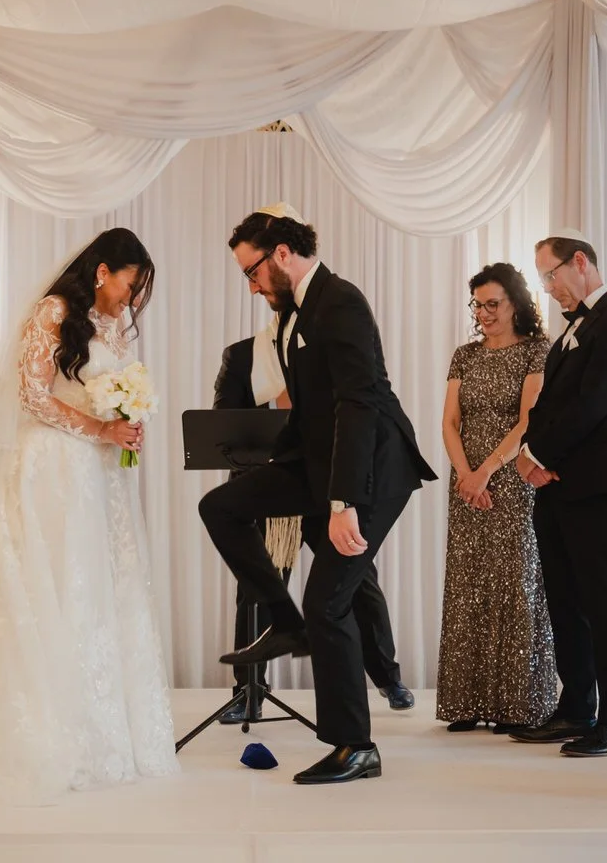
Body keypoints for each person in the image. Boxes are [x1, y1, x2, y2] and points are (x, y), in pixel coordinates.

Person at [0, 228, 178, 803]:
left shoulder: (111, 326)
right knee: (52, 584)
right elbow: (32, 395)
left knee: (99, 590)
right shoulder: (53, 311)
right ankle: (45, 738)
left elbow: (108, 387)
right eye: (131, 286)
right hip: (52, 466)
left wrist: (128, 421)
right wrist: (99, 426)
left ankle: (104, 737)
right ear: (104, 271)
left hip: (99, 473)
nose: (132, 301)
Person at [199, 203, 436, 785]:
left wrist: (341, 502)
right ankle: (283, 621)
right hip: (317, 463)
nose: (251, 286)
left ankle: (356, 747)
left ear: (281, 254)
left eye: (251, 271)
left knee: (329, 601)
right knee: (222, 506)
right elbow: (311, 415)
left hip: (373, 472)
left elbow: (357, 406)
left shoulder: (340, 301)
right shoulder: (294, 312)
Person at [213, 324, 414, 725]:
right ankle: (247, 691)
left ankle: (387, 678)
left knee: (359, 584)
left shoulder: (321, 354)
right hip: (270, 489)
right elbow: (223, 428)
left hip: (324, 493)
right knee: (257, 590)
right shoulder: (240, 357)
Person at [511, 228, 607, 758]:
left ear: (581, 262)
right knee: (565, 602)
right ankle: (576, 708)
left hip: (596, 485)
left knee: (604, 602)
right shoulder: (566, 335)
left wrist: (534, 456)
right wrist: (532, 453)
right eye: (542, 279)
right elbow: (547, 410)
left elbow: (593, 404)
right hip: (556, 489)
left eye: (551, 275)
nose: (548, 289)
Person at [436, 263, 556, 734]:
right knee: (469, 588)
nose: (483, 313)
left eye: (493, 304)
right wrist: (466, 475)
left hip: (510, 479)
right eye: (477, 305)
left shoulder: (536, 352)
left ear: (516, 303)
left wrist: (486, 472)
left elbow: (529, 420)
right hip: (467, 485)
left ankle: (519, 704)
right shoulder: (465, 355)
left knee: (516, 584)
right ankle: (466, 702)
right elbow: (448, 423)